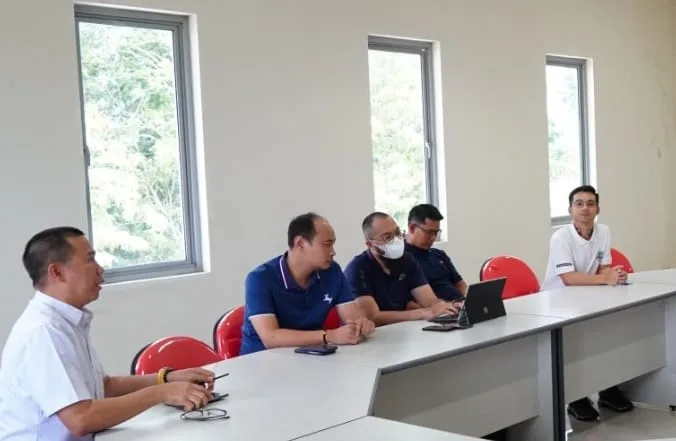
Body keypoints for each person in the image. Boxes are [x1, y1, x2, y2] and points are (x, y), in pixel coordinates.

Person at [0, 227, 216, 441]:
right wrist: (163, 392)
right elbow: (81, 419)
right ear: (56, 272)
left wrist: (166, 379)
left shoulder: (67, 321)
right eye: (90, 260)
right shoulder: (44, 331)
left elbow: (103, 386)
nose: (100, 269)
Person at [542, 185, 633, 422]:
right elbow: (568, 278)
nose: (585, 208)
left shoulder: (603, 231)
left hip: (589, 296)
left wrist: (614, 275)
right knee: (574, 347)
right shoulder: (561, 237)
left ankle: (608, 389)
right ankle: (576, 398)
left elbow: (603, 267)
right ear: (570, 210)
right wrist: (605, 279)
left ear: (597, 209)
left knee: (607, 336)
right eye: (579, 204)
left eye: (590, 203)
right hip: (558, 301)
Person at [240, 213, 375, 355]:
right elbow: (271, 338)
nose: (333, 252)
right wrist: (329, 336)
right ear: (300, 243)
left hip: (311, 357)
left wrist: (361, 326)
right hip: (262, 360)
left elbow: (353, 319)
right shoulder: (259, 278)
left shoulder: (332, 271)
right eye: (327, 244)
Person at [344, 212, 460, 327]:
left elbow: (430, 302)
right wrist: (421, 313)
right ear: (370, 244)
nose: (396, 240)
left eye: (397, 233)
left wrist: (453, 306)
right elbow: (372, 317)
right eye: (387, 237)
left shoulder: (407, 260)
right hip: (375, 334)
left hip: (403, 330)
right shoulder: (357, 269)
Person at [405, 204, 467, 302]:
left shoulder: (438, 254)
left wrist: (470, 300)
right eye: (429, 232)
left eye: (436, 232)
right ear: (412, 228)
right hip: (439, 308)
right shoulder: (402, 259)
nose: (433, 238)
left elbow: (460, 284)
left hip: (460, 304)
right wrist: (448, 306)